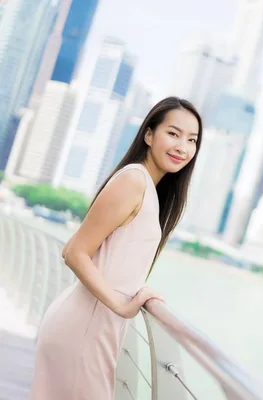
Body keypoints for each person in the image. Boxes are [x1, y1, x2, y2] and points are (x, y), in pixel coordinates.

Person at [29, 97, 202, 399]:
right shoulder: (134, 180)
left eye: (192, 140)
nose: (183, 147)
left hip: (96, 330)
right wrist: (122, 305)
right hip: (84, 331)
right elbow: (74, 251)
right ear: (149, 135)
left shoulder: (148, 188)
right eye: (173, 134)